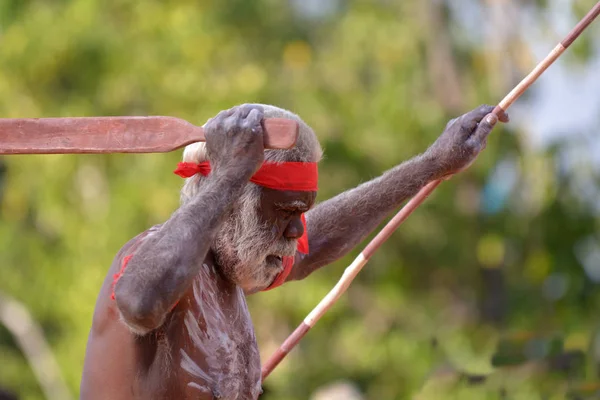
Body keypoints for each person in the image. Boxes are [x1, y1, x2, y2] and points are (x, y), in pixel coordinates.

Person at [80, 103, 506, 399]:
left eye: (301, 212)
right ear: (231, 202)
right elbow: (140, 302)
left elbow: (312, 243)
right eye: (284, 211)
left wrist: (431, 165)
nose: (294, 230)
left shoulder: (228, 274)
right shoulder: (152, 257)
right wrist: (228, 178)